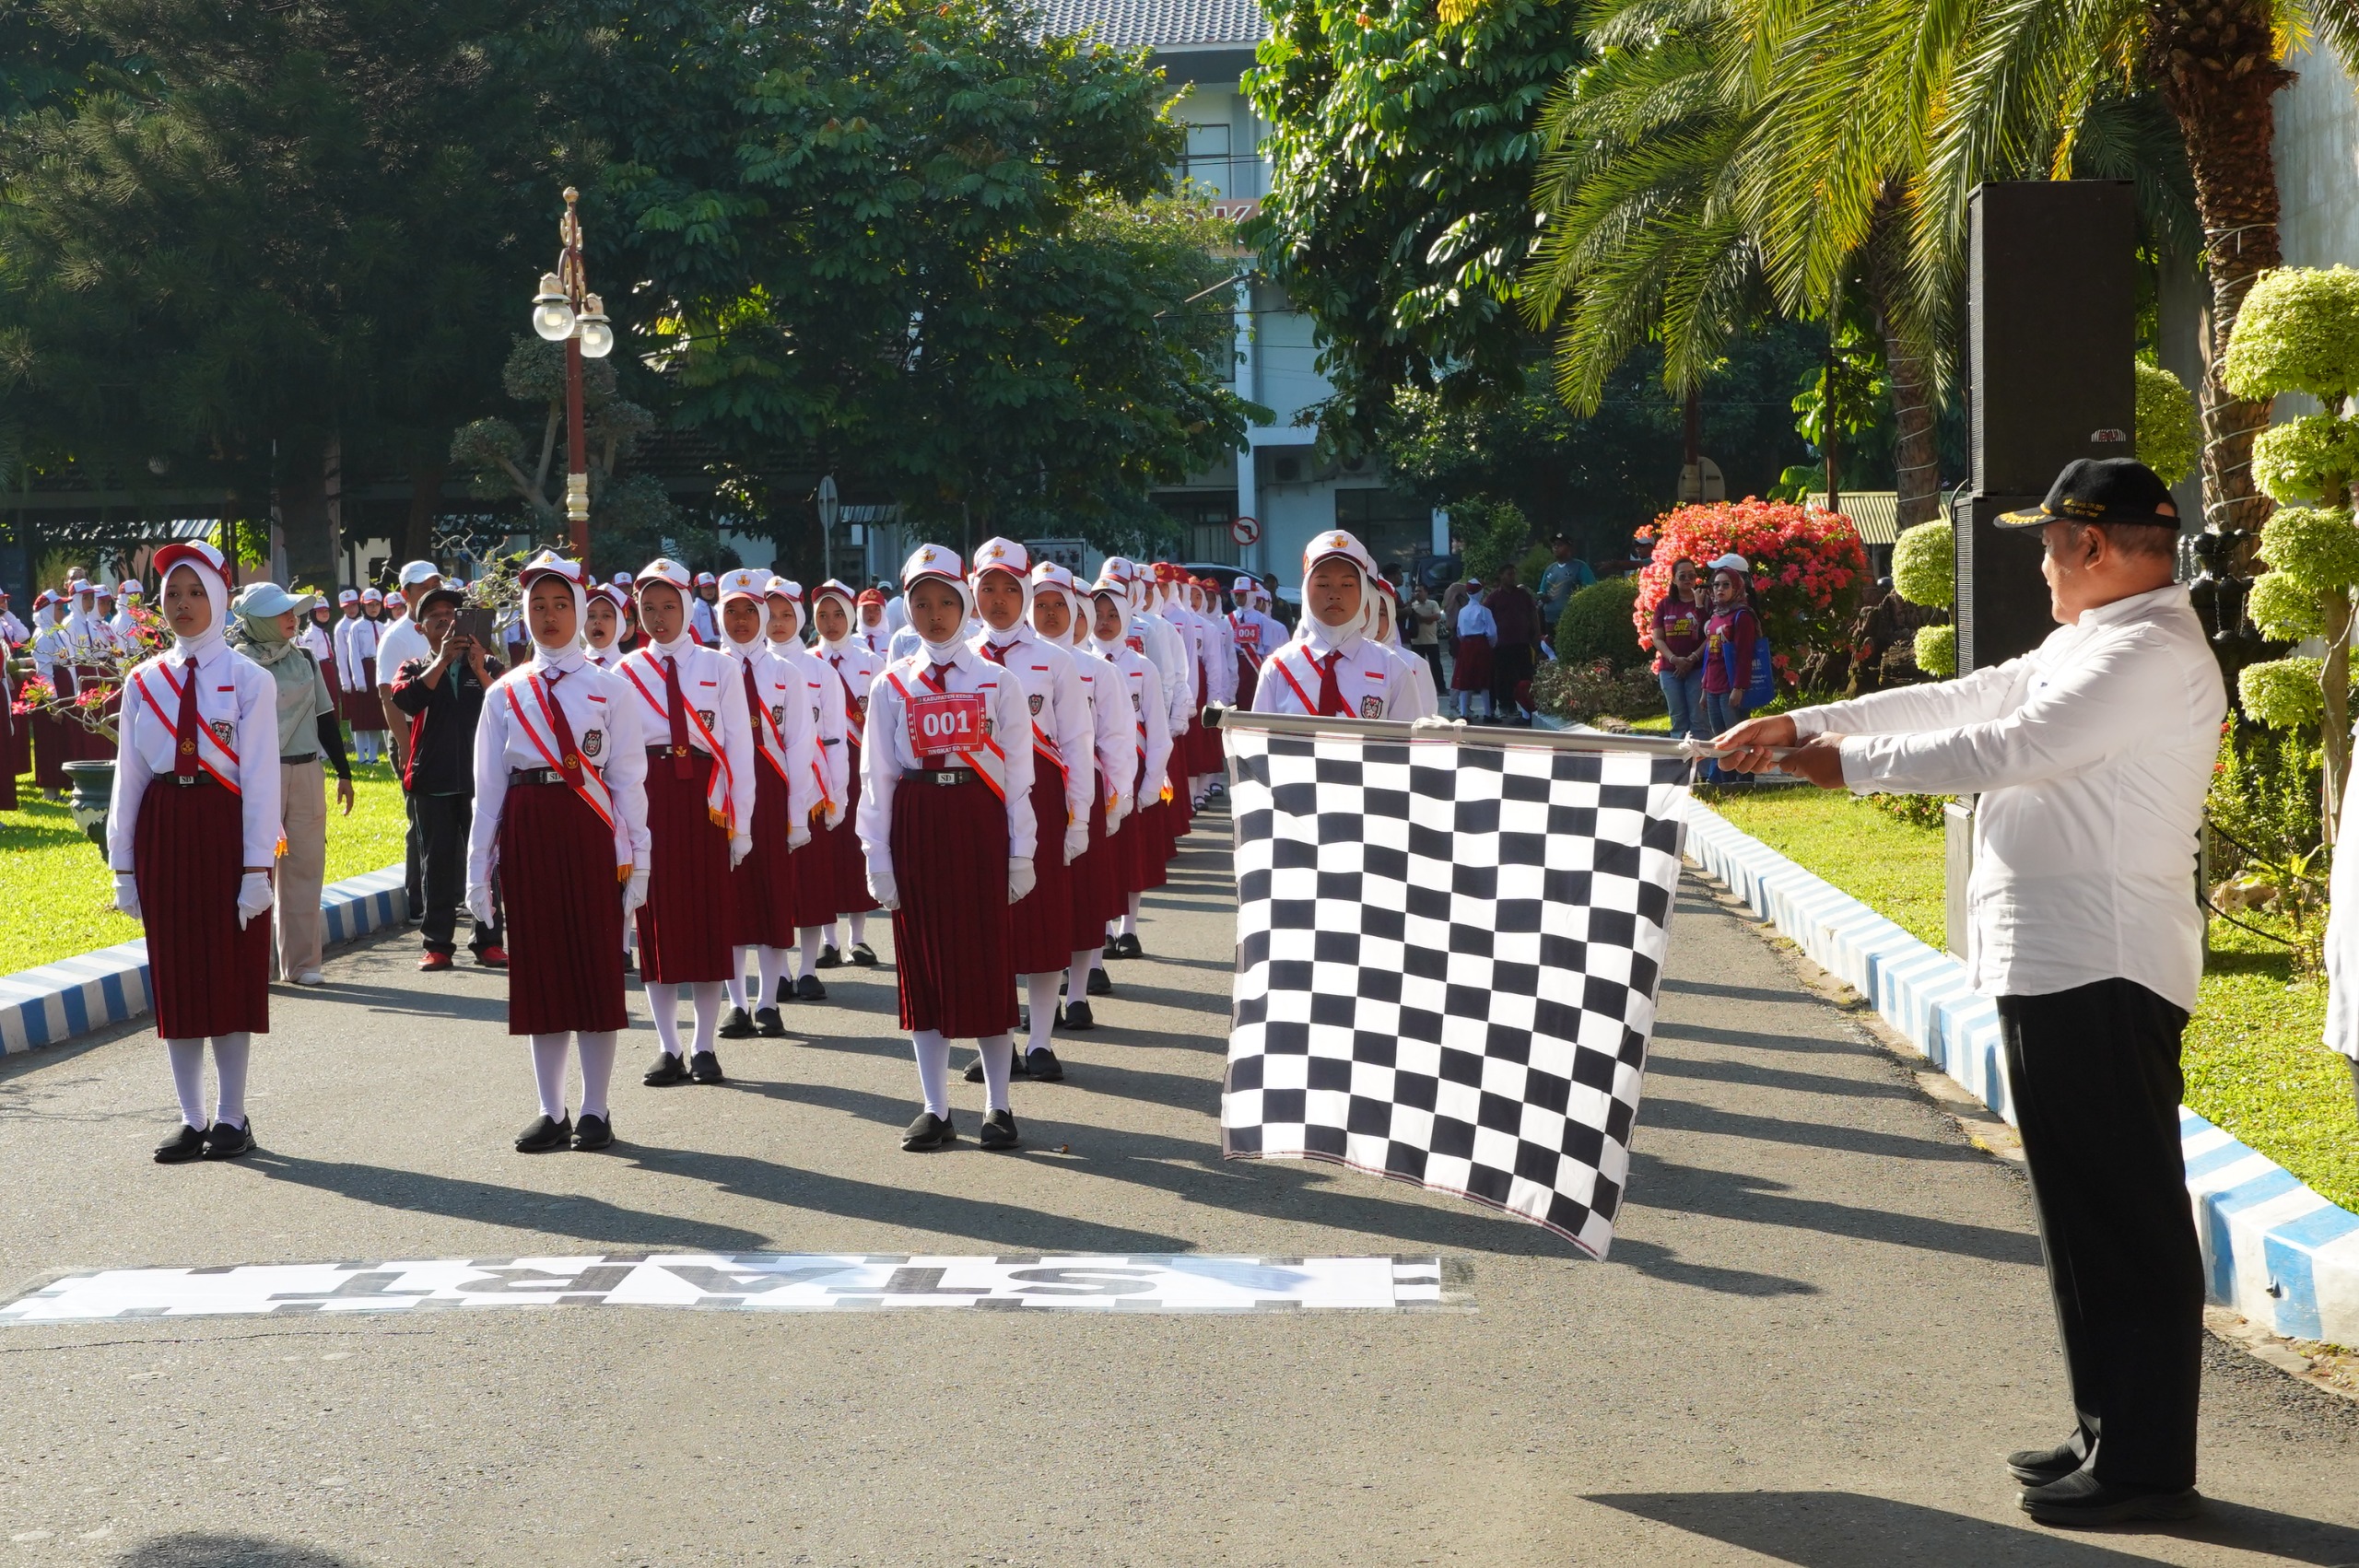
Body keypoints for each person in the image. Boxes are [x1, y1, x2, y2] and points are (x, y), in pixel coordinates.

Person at [1718, 457, 2224, 1528]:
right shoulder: (2092, 638)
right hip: (2055, 961)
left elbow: (2009, 744)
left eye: (2048, 545)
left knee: (2122, 1215)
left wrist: (1842, 766)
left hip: (2103, 962)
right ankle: (2106, 1428)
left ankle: (2146, 1464)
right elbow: (1968, 696)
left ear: (2092, 545)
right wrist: (1811, 722)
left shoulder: (2147, 650)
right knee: (2078, 1212)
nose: (2041, 565)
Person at [465, 553, 651, 1153]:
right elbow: (487, 789)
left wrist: (642, 858)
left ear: (581, 610)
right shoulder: (505, 693)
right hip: (528, 830)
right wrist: (478, 871)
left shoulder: (611, 689)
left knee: (594, 967)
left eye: (561, 605)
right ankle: (551, 1110)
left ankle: (596, 1109)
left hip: (590, 831)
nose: (549, 616)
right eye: (539, 605)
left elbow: (628, 781)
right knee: (541, 971)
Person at [106, 540, 280, 1163]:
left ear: (221, 598)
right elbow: (129, 777)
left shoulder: (250, 680)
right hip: (164, 826)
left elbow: (261, 779)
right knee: (177, 974)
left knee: (229, 973)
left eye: (196, 592)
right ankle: (191, 1117)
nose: (183, 604)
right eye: (173, 594)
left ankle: (232, 1116)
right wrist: (123, 864)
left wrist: (257, 867)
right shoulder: (143, 681)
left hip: (225, 827)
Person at [857, 544, 1036, 1153]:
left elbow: (1018, 777)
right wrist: (877, 858)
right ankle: (935, 1107)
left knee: (984, 963)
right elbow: (877, 777)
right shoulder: (890, 685)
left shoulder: (998, 681)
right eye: (922, 603)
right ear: (907, 609)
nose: (935, 615)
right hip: (917, 822)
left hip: (978, 822)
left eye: (947, 602)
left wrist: (1022, 851)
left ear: (965, 606)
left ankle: (998, 1105)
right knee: (925, 965)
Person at [616, 558, 755, 1084]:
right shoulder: (625, 672)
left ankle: (704, 1045)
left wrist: (741, 823)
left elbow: (738, 748)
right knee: (657, 921)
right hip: (647, 796)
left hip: (706, 798)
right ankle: (668, 1046)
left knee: (707, 920)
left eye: (669, 606)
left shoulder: (720, 667)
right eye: (648, 608)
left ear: (688, 608)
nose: (659, 617)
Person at [965, 539, 1091, 1082]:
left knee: (1041, 923)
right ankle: (996, 1043)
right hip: (976, 799)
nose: (998, 600)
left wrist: (1080, 816)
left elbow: (1079, 743)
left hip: (1040, 797)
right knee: (987, 926)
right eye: (987, 588)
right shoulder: (960, 657)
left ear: (1025, 593)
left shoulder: (1055, 660)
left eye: (1009, 589)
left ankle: (1040, 1041)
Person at [713, 567, 821, 1040]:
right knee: (730, 898)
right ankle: (736, 1002)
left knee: (773, 895)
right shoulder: (708, 668)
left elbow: (800, 746)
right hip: (722, 791)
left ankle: (769, 1001)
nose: (740, 621)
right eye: (731, 611)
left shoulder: (785, 673)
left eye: (749, 610)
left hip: (773, 789)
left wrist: (798, 814)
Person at [229, 583, 354, 988]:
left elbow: (325, 718)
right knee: (254, 868)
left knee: (305, 868)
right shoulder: (234, 664)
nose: (292, 618)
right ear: (257, 619)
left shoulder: (305, 660)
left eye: (293, 612)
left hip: (306, 772)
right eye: (282, 612)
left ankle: (301, 965)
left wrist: (344, 772)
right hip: (256, 776)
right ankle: (253, 965)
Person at [391, 585, 507, 972]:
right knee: (436, 864)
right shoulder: (413, 667)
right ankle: (437, 945)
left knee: (486, 862)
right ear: (421, 628)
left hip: (482, 781)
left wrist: (479, 667)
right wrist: (441, 661)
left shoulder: (488, 665)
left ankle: (488, 941)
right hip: (432, 780)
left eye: (451, 614)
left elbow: (509, 706)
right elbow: (406, 700)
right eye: (435, 616)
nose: (444, 619)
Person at [1037, 561, 1132, 1024]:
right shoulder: (1005, 664)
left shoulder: (1098, 670)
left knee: (1082, 898)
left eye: (1063, 605)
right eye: (1041, 605)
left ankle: (1077, 993)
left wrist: (1117, 800)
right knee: (1039, 901)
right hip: (1031, 790)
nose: (1052, 614)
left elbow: (1117, 739)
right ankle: (1041, 997)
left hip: (1084, 791)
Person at [763, 578, 851, 1001]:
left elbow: (834, 737)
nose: (778, 623)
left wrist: (839, 792)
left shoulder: (821, 671)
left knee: (811, 882)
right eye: (771, 614)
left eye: (787, 614)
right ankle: (778, 970)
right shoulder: (744, 667)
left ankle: (809, 967)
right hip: (767, 786)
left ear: (800, 617)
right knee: (774, 882)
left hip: (814, 789)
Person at [1086, 569, 1168, 966]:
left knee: (1130, 855)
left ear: (1126, 617)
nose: (1104, 622)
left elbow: (1158, 730)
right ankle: (1101, 928)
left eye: (1112, 615)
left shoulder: (1142, 666)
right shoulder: (1077, 663)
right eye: (1097, 614)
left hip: (1131, 772)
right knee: (1099, 855)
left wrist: (1152, 781)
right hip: (1091, 772)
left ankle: (1129, 928)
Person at [1252, 531, 1419, 721]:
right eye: (1323, 585)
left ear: (1363, 593)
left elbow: (1408, 739)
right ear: (1306, 591)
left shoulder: (1392, 667)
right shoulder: (1278, 668)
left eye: (1347, 585)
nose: (1334, 595)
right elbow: (1260, 738)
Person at [811, 579, 884, 968]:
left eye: (838, 613)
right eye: (823, 614)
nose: (831, 622)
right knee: (824, 849)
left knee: (857, 845)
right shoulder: (805, 662)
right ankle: (829, 939)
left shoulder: (871, 663)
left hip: (860, 761)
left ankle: (858, 938)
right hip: (819, 764)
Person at [1699, 557, 1760, 782]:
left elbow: (1745, 654)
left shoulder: (1742, 615)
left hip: (1731, 685)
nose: (1720, 589)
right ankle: (1723, 781)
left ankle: (1743, 780)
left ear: (1736, 587)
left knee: (1736, 735)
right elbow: (1709, 655)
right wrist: (1704, 689)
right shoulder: (1716, 616)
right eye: (1716, 585)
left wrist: (1739, 687)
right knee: (1719, 737)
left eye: (1726, 585)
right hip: (1712, 686)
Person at [1652, 559, 1709, 739]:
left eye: (1691, 575)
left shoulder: (1705, 602)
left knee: (1699, 719)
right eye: (1682, 576)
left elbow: (1711, 635)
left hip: (1698, 668)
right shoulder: (1664, 605)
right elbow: (1657, 638)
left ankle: (1702, 757)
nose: (1687, 579)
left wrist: (1693, 658)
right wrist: (1674, 659)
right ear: (1674, 579)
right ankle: (1680, 756)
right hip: (1670, 670)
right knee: (1678, 720)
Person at [1484, 562, 1540, 724]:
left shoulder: (1523, 595)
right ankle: (1506, 706)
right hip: (1502, 644)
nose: (1512, 577)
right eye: (1509, 574)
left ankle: (1528, 707)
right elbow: (1485, 615)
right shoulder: (1494, 596)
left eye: (1514, 574)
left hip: (1522, 641)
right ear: (1501, 576)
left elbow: (1533, 613)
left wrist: (1536, 633)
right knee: (1503, 677)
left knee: (1525, 675)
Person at [1450, 581, 1494, 720]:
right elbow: (1492, 632)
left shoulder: (1462, 611)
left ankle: (1464, 713)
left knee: (1465, 679)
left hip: (1466, 645)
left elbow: (1459, 631)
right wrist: (1491, 645)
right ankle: (1488, 714)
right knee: (1484, 680)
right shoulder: (1484, 611)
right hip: (1481, 644)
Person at [1537, 534, 1595, 631]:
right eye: (1554, 545)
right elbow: (1542, 590)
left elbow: (1591, 589)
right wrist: (1543, 596)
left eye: (1560, 544)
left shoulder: (1579, 566)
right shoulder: (1550, 569)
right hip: (1550, 619)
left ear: (1569, 547)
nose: (1556, 547)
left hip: (1571, 619)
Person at [1406, 579, 1446, 691]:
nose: (1417, 593)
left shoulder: (1432, 604)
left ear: (1426, 592)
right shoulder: (1412, 606)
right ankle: (1421, 689)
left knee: (1435, 666)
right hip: (1416, 642)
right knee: (1418, 667)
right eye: (1416, 591)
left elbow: (1436, 617)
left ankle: (1440, 688)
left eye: (1420, 591)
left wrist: (1421, 618)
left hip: (1431, 641)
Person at [690, 571, 721, 644]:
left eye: (712, 587)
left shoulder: (715, 608)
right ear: (698, 589)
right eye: (705, 588)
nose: (709, 591)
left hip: (718, 646)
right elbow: (695, 633)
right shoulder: (695, 609)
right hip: (703, 645)